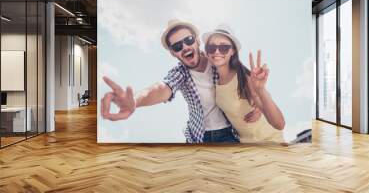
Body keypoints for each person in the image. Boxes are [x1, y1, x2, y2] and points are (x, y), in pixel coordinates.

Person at [101, 20, 262, 143]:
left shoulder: (217, 60)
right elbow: (162, 89)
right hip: (198, 138)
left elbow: (246, 78)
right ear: (173, 53)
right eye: (177, 46)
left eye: (189, 40)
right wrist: (135, 101)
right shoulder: (180, 73)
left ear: (198, 41)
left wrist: (258, 102)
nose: (185, 47)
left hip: (229, 134)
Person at [202, 24, 285, 143]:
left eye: (224, 47)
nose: (217, 51)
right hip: (245, 147)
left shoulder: (244, 78)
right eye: (211, 47)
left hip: (269, 143)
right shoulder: (215, 79)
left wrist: (260, 91)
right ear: (207, 52)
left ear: (232, 51)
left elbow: (279, 124)